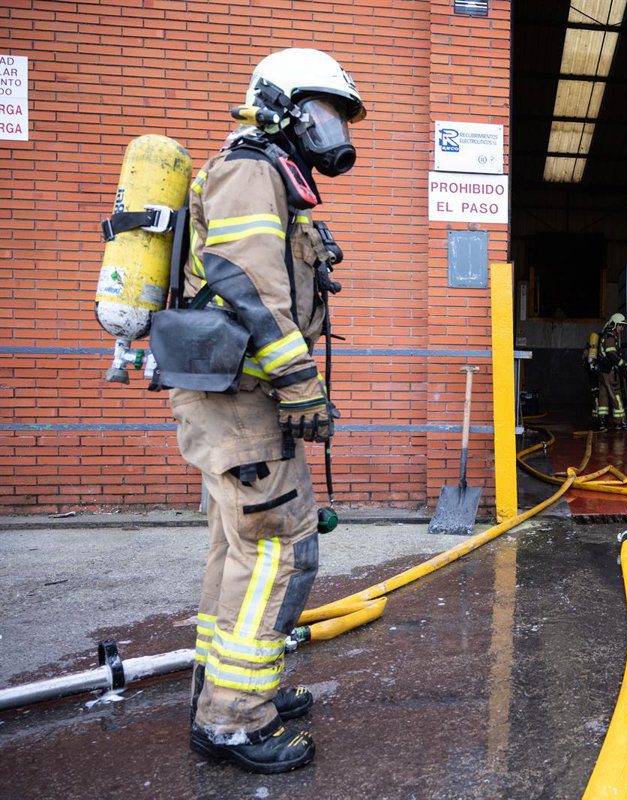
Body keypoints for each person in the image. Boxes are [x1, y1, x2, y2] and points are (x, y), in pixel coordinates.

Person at [172, 48, 365, 774]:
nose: (331, 130)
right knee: (271, 552)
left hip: (239, 397)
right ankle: (232, 722)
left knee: (239, 547)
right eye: (319, 111)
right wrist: (299, 382)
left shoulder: (266, 175)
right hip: (245, 400)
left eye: (337, 116)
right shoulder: (251, 170)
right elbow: (247, 289)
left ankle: (227, 690)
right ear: (279, 106)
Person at [594, 313, 627, 429]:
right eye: (620, 325)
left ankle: (602, 422)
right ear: (614, 324)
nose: (622, 328)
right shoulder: (610, 336)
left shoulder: (607, 335)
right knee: (615, 394)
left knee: (603, 395)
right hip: (608, 372)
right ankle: (620, 422)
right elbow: (611, 354)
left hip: (603, 371)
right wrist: (623, 364)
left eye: (623, 326)